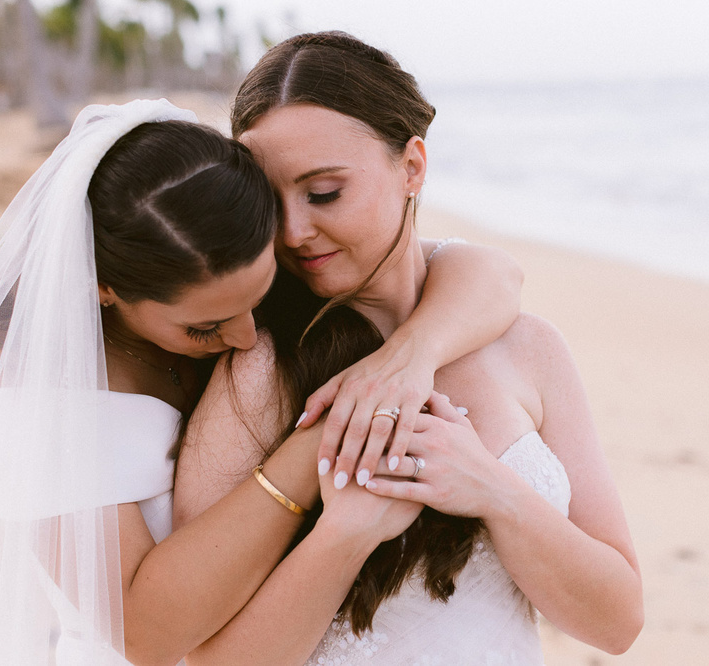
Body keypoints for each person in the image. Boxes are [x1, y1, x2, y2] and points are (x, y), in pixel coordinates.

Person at [0, 99, 522, 664]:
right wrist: (322, 437)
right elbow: (144, 636)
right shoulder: (19, 389)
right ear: (103, 289)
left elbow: (489, 270)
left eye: (261, 295)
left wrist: (406, 357)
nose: (245, 335)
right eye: (205, 327)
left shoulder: (224, 268)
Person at [174, 32, 643, 665]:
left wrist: (492, 491)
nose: (292, 230)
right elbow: (199, 657)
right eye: (268, 201)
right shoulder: (260, 369)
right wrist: (341, 535)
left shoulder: (528, 347)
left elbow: (616, 623)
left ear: (412, 166)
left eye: (323, 193)